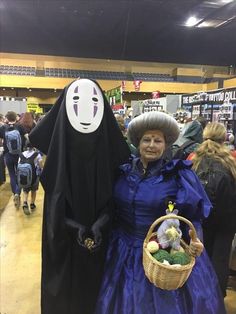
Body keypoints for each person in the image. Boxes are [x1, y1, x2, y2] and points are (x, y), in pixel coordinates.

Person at [95, 111, 226, 314]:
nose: (152, 145)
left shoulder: (177, 175)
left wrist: (195, 239)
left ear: (166, 144)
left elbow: (193, 216)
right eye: (147, 139)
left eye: (158, 140)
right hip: (122, 250)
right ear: (138, 143)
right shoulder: (123, 171)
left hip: (162, 252)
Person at [29, 78, 130, 314]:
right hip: (64, 242)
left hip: (102, 239)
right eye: (76, 102)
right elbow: (55, 200)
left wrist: (101, 223)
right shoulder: (57, 156)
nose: (85, 112)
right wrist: (71, 226)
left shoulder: (110, 156)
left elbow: (116, 196)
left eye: (93, 102)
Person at [191, 122, 236, 298]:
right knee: (220, 259)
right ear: (225, 138)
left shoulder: (194, 158)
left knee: (201, 257)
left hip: (202, 217)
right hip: (227, 220)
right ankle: (216, 299)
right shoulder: (231, 160)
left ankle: (198, 296)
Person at [0, 111, 28, 208]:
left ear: (7, 118)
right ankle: (17, 193)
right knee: (19, 174)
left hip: (8, 154)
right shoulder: (19, 126)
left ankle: (15, 194)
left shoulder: (3, 128)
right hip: (19, 155)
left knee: (12, 175)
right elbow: (27, 137)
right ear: (16, 118)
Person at [19, 140, 43, 215]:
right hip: (34, 177)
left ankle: (25, 202)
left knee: (25, 190)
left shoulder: (22, 154)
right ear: (34, 146)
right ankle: (32, 204)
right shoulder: (37, 154)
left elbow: (18, 164)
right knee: (34, 190)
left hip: (24, 177)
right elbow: (41, 166)